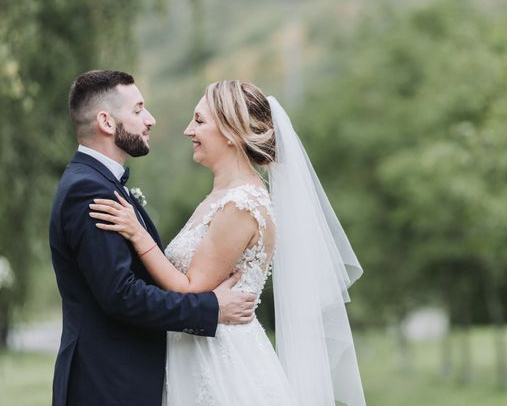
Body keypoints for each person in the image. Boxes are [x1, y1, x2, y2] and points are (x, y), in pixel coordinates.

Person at [90, 80, 367, 405]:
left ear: (231, 132)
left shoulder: (241, 205)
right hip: (195, 354)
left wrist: (137, 234)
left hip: (221, 364)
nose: (188, 130)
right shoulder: (220, 198)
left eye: (200, 120)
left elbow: (191, 288)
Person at [49, 70, 257, 406]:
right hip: (107, 384)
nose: (151, 119)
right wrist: (210, 308)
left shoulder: (100, 183)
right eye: (137, 110)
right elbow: (120, 295)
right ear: (106, 121)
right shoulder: (88, 190)